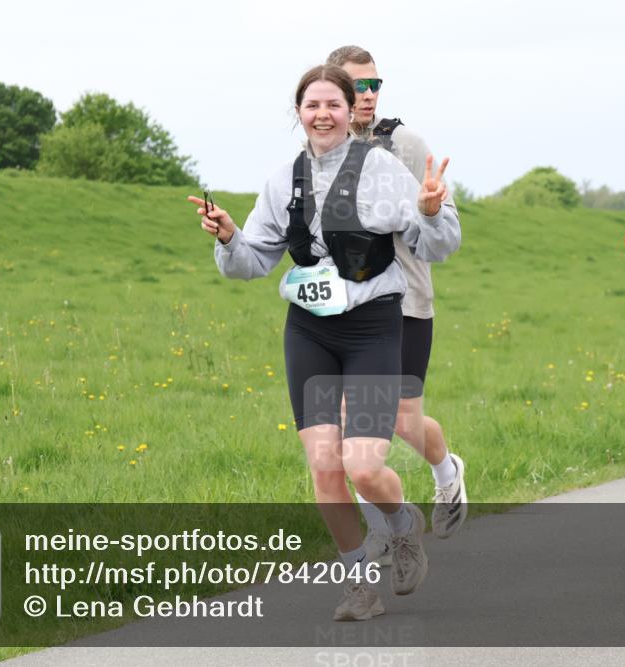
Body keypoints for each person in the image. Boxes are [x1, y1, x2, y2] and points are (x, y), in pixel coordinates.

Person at [187, 64, 460, 620]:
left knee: (363, 467)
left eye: (333, 104)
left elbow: (438, 245)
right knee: (324, 467)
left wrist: (431, 213)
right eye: (312, 105)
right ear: (298, 113)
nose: (323, 114)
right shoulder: (282, 180)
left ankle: (403, 523)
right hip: (310, 330)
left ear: (349, 110)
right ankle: (359, 584)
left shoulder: (381, 169)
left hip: (374, 327)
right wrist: (230, 237)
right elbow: (251, 263)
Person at [326, 46, 467, 565]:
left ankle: (447, 471)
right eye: (357, 86)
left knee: (405, 421)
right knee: (352, 430)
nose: (368, 95)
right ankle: (384, 528)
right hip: (346, 308)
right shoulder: (323, 147)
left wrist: (430, 210)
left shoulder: (404, 144)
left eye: (374, 85)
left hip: (405, 302)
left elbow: (445, 225)